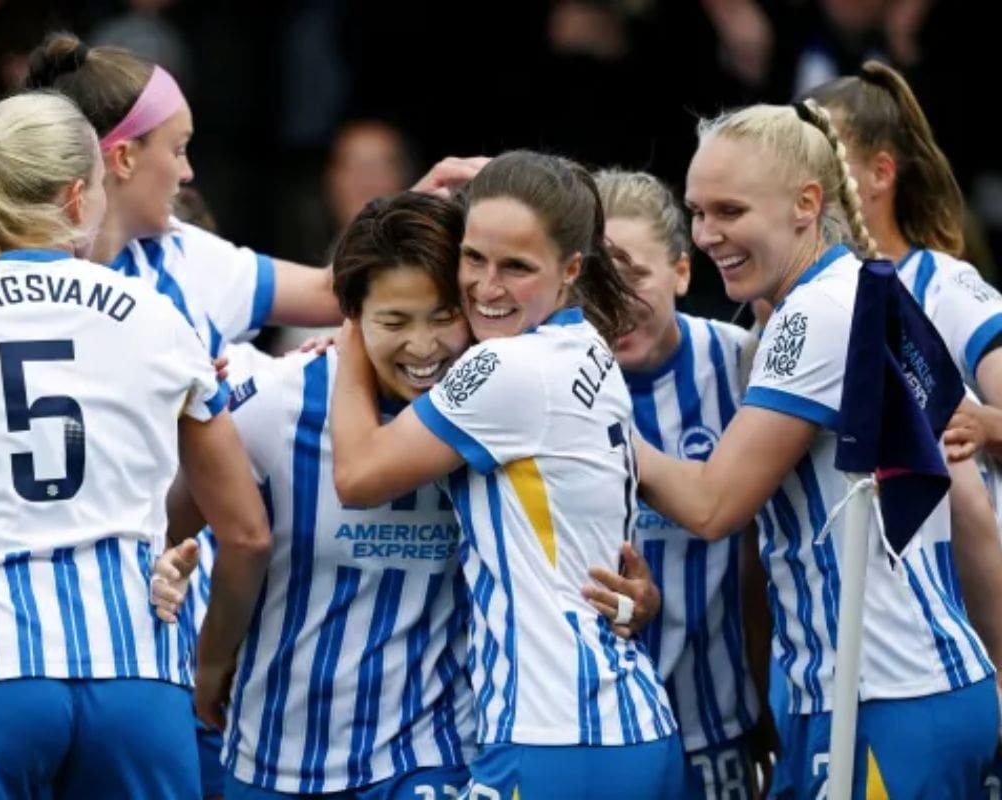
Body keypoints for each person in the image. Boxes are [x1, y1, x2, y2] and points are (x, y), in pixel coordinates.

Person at [0, 90, 271, 799]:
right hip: (136, 674)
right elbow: (245, 533)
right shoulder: (159, 319)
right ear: (74, 198)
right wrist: (210, 663)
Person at [636, 98, 999, 798]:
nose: (707, 235)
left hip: (883, 696)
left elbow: (714, 506)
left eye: (730, 212)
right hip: (882, 692)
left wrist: (596, 428)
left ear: (807, 203)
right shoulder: (856, 289)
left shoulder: (815, 316)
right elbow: (965, 498)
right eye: (697, 211)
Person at [328, 150, 683, 800]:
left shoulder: (510, 369)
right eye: (473, 258)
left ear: (571, 268)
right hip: (624, 722)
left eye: (516, 267)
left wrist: (358, 323)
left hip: (554, 735)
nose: (487, 288)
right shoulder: (588, 350)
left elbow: (358, 474)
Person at [194, 191, 475, 799]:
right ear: (348, 315)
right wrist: (209, 656)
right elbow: (178, 523)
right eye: (394, 322)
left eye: (444, 315)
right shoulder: (276, 402)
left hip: (429, 758)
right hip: (270, 756)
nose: (425, 347)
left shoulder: (498, 408)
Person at [24, 33, 485, 354]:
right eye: (179, 148)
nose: (187, 172)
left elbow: (329, 291)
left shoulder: (185, 256)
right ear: (124, 159)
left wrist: (416, 207)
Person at [594, 168, 766, 799]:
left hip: (716, 726)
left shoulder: (745, 364)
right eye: (594, 280)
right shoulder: (539, 377)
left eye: (633, 275)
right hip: (590, 732)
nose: (613, 301)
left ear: (682, 271)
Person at [804, 61, 1002, 405]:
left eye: (821, 162)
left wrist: (982, 425)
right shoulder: (788, 298)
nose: (802, 184)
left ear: (880, 173)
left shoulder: (944, 286)